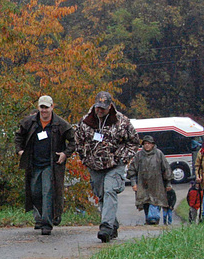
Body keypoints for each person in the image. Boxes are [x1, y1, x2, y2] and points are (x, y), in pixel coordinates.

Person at [75, 91, 139, 242]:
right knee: (102, 195)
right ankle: (112, 223)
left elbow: (134, 142)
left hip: (114, 165)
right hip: (94, 166)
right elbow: (78, 141)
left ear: (110, 106)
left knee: (110, 191)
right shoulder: (85, 121)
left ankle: (105, 227)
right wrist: (84, 158)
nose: (100, 110)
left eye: (103, 108)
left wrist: (122, 158)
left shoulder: (122, 121)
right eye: (98, 107)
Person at [14, 95, 75, 235]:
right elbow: (19, 136)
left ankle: (47, 224)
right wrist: (20, 150)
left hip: (51, 165)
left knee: (47, 192)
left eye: (46, 107)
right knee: (35, 192)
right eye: (42, 107)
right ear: (38, 107)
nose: (44, 110)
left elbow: (73, 141)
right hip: (33, 164)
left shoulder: (61, 124)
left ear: (52, 107)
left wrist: (65, 154)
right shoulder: (29, 122)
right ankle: (43, 218)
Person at [126, 135, 173, 225]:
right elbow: (132, 170)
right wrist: (133, 183)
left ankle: (154, 219)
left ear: (153, 144)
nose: (147, 145)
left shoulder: (159, 154)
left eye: (149, 143)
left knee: (155, 202)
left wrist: (168, 183)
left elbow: (166, 168)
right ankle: (149, 220)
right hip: (143, 185)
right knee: (145, 202)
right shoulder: (139, 155)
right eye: (145, 143)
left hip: (157, 184)